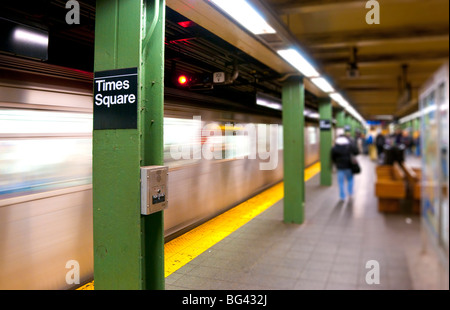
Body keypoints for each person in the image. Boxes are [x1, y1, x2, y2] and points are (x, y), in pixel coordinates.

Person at [332, 132, 359, 202]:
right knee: (350, 179)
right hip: (349, 166)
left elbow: (333, 157)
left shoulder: (335, 148)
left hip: (340, 167)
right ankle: (350, 193)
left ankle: (342, 196)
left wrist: (335, 164)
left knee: (340, 181)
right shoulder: (349, 146)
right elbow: (356, 152)